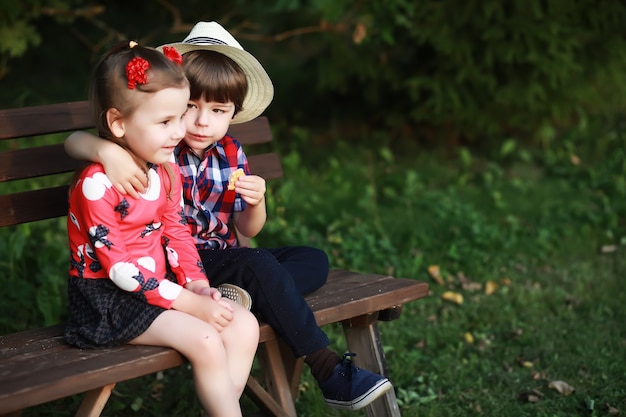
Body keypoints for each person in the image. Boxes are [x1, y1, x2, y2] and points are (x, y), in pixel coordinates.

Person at [65, 21, 392, 411]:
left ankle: (257, 294)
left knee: (307, 261)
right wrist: (104, 150)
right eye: (188, 109)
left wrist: (257, 203)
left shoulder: (216, 154)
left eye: (218, 110)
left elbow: (240, 228)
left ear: (233, 113)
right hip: (157, 276)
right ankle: (320, 361)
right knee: (257, 265)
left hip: (208, 265)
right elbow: (84, 144)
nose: (199, 123)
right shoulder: (160, 153)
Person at [64, 40, 259, 417]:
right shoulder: (97, 184)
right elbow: (120, 269)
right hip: (110, 301)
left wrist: (198, 284)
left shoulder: (164, 170)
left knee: (244, 324)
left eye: (177, 118)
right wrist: (189, 303)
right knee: (204, 337)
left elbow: (177, 232)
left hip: (162, 289)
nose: (178, 132)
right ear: (118, 123)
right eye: (165, 122)